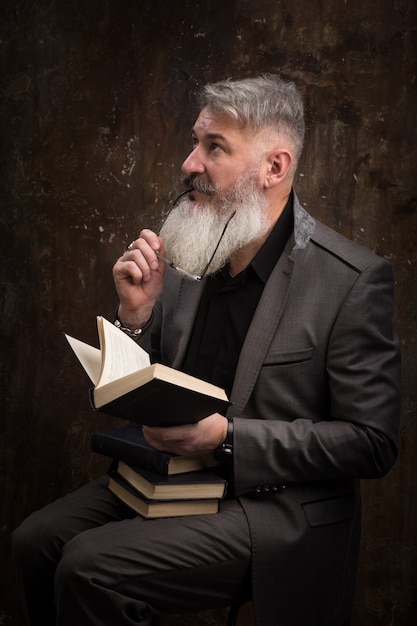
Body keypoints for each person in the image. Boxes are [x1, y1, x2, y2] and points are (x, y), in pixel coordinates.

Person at [12, 74, 401, 626]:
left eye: (214, 147)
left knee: (88, 566)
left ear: (274, 168)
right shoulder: (191, 252)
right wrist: (136, 317)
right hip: (171, 482)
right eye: (196, 142)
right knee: (35, 542)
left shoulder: (351, 280)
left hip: (275, 509)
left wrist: (230, 437)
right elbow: (142, 393)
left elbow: (373, 443)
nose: (189, 162)